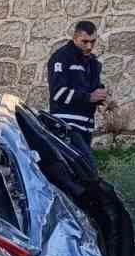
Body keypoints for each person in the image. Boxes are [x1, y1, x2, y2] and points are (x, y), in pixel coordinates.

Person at [46, 20, 107, 169]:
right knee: (89, 171)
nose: (89, 46)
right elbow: (58, 93)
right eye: (84, 42)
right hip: (68, 126)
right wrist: (89, 97)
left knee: (81, 174)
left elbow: (93, 88)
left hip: (87, 127)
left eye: (93, 42)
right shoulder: (61, 57)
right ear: (75, 38)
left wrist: (103, 99)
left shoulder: (93, 62)